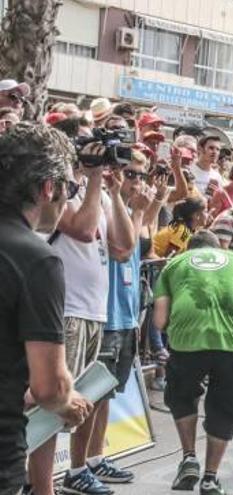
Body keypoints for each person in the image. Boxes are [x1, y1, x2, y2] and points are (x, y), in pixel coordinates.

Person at [29, 125, 137, 495]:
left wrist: (115, 191)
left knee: (80, 400)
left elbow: (124, 246)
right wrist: (91, 180)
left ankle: (70, 472)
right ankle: (39, 486)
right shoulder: (59, 187)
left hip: (95, 312)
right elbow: (84, 229)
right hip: (67, 308)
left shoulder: (100, 190)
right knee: (49, 405)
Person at [0, 123, 93, 495]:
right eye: (69, 189)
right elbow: (49, 386)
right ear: (48, 188)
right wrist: (69, 404)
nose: (68, 200)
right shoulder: (37, 259)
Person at [152, 231, 233, 495]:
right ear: (220, 247)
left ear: (190, 249)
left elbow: (159, 321)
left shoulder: (175, 263)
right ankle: (210, 477)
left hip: (187, 340)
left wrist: (182, 328)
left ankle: (189, 458)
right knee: (226, 410)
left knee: (182, 398)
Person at [87, 151, 167, 486]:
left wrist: (155, 203)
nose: (137, 181)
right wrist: (138, 209)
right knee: (91, 397)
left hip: (126, 314)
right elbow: (123, 245)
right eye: (130, 174)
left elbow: (140, 241)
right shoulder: (104, 205)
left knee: (106, 395)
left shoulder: (126, 207)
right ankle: (79, 466)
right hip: (103, 315)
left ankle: (95, 457)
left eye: (141, 175)